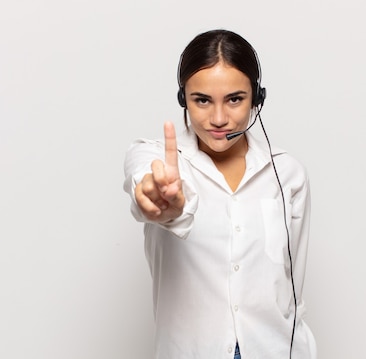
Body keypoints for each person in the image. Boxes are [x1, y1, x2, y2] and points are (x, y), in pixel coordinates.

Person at [123, 29, 317, 359]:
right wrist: (163, 205)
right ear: (183, 97)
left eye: (234, 99)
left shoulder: (288, 173)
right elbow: (149, 191)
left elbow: (293, 290)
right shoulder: (152, 158)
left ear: (257, 98)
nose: (218, 119)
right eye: (202, 100)